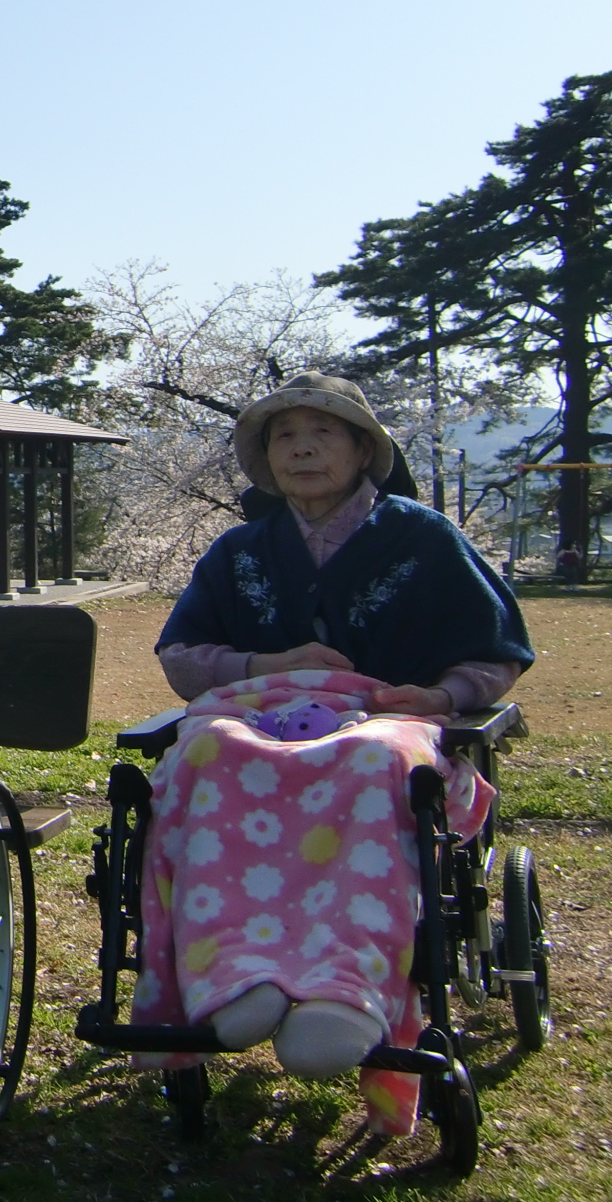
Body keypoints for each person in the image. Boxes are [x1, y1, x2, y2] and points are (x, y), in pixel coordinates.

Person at [143, 371, 533, 1134]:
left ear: (363, 449)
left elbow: (495, 651)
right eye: (285, 435)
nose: (303, 447)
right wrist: (266, 667)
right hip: (259, 716)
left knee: (378, 762)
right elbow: (184, 656)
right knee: (206, 753)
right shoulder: (240, 551)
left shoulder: (424, 540)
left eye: (324, 431)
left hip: (382, 718)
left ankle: (345, 988)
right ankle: (234, 974)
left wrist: (442, 696)